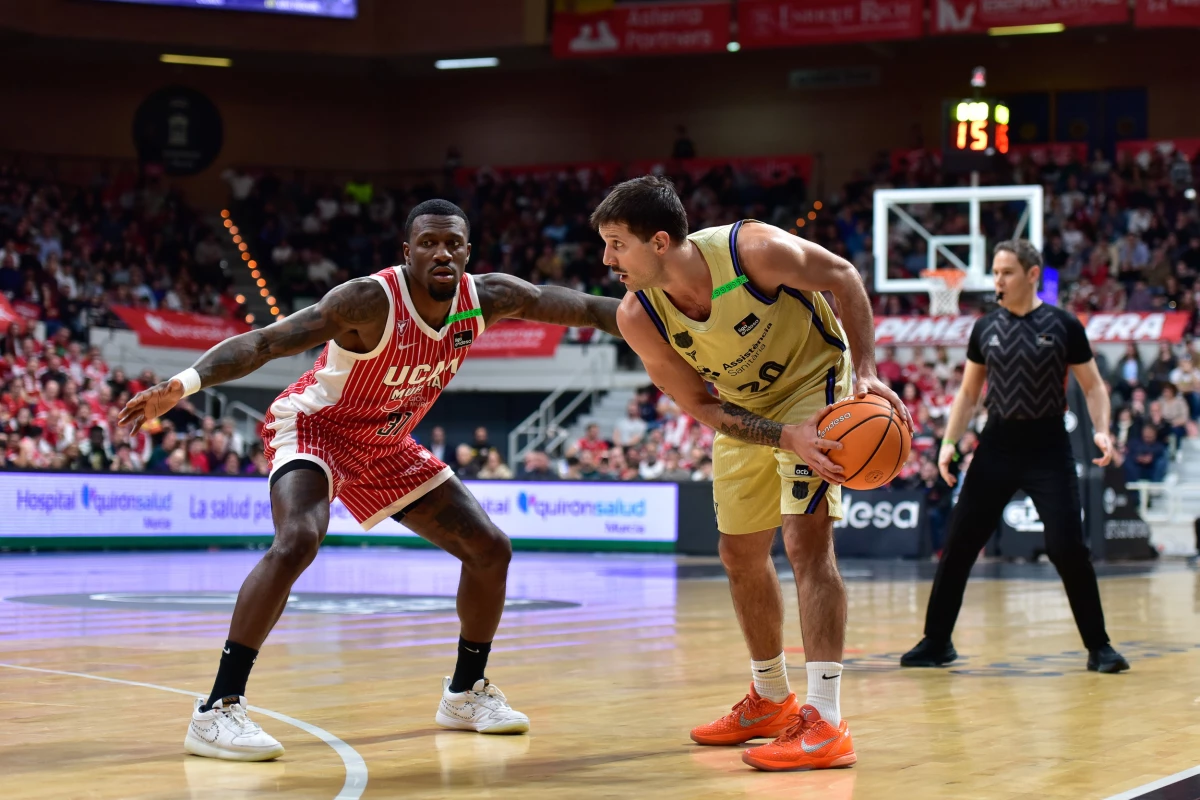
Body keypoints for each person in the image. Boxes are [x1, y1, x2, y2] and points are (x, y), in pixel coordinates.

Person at [119, 199, 622, 761]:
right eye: (428, 242)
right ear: (406, 252)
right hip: (316, 428)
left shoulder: (488, 297)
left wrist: (659, 314)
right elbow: (263, 342)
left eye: (453, 243)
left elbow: (583, 307)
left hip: (384, 443)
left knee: (490, 549)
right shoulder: (368, 300)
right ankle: (217, 709)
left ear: (467, 253)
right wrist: (182, 385)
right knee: (298, 540)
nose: (442, 252)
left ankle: (464, 693)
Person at [593, 175, 910, 772]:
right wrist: (778, 435)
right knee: (738, 553)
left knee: (805, 542)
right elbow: (702, 406)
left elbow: (844, 275)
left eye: (616, 243)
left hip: (816, 386)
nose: (607, 259)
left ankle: (826, 720)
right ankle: (769, 698)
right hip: (744, 407)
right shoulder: (640, 316)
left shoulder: (752, 251)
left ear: (660, 242)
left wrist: (864, 371)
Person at [901, 239, 1129, 674]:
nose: (997, 280)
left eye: (1006, 271)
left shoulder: (1063, 325)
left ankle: (1099, 647)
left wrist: (1102, 431)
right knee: (959, 545)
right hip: (997, 445)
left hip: (1048, 447)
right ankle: (936, 641)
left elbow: (1094, 385)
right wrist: (949, 444)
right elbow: (969, 394)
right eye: (996, 271)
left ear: (1031, 275)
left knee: (1068, 549)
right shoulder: (984, 328)